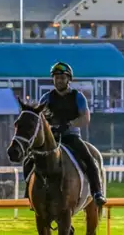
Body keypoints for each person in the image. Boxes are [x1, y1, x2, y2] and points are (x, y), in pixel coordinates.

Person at [23, 61, 107, 207]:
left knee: (89, 160)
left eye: (62, 78)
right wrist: (50, 129)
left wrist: (68, 125)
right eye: (56, 78)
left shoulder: (78, 97)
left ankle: (97, 192)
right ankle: (30, 194)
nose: (59, 80)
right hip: (52, 138)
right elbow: (40, 120)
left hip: (71, 136)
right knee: (28, 161)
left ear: (68, 79)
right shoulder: (46, 98)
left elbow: (85, 118)